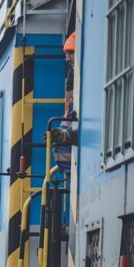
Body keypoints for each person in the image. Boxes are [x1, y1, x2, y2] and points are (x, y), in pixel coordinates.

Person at [50, 32, 78, 172]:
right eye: (66, 54)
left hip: (73, 170)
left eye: (71, 53)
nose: (67, 59)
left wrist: (64, 135)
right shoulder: (72, 104)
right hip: (70, 171)